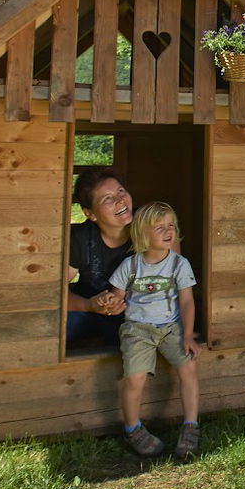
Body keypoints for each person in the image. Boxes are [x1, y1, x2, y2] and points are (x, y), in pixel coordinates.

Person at [108, 201, 202, 459]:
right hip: (137, 330)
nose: (168, 230)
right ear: (142, 234)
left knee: (189, 367)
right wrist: (112, 301)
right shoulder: (132, 265)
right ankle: (132, 428)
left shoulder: (179, 264)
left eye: (171, 225)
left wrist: (187, 334)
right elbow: (116, 296)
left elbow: (186, 301)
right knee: (135, 378)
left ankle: (191, 425)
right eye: (159, 227)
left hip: (171, 328)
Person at [66, 168, 133, 348]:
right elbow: (53, 292)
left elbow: (174, 274)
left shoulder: (147, 228)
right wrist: (89, 305)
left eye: (120, 191)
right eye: (108, 198)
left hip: (137, 315)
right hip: (90, 313)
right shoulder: (80, 238)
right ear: (90, 213)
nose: (120, 200)